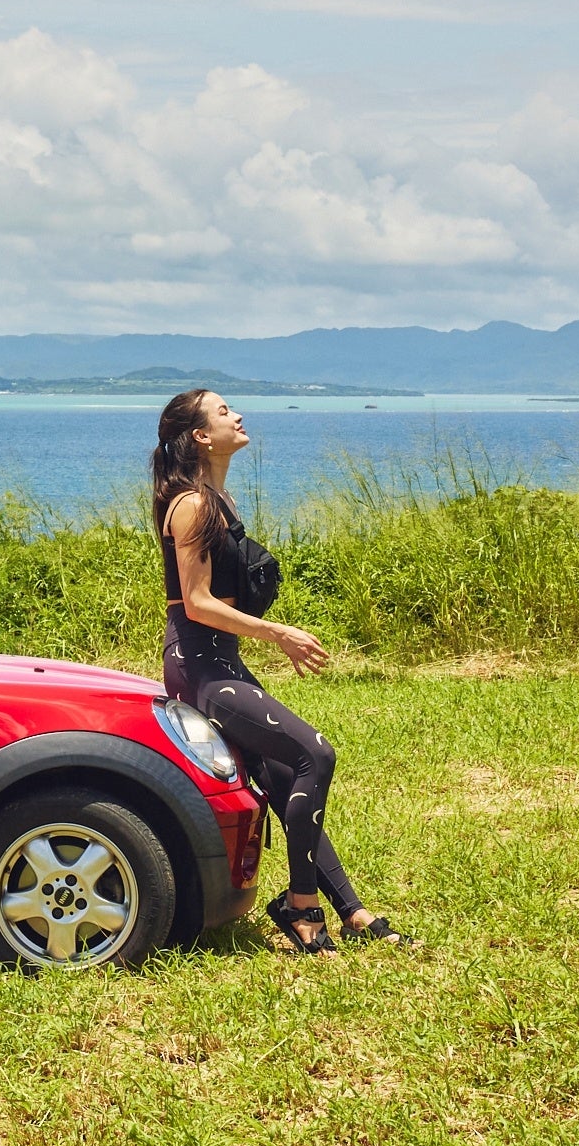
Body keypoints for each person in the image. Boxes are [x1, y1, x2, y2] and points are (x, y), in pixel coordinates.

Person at [153, 387, 414, 954]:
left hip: (220, 659)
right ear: (200, 436)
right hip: (200, 665)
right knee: (313, 755)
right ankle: (301, 907)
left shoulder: (216, 500)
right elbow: (196, 602)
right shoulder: (192, 505)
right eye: (223, 412)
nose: (238, 416)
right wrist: (280, 633)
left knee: (279, 775)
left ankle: (352, 911)